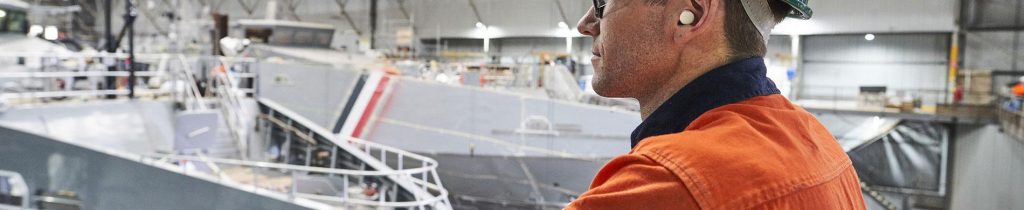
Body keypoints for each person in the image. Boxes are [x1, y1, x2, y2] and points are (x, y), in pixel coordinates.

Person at [567, 0, 865, 209]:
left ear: (690, 14)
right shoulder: (820, 145)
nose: (586, 24)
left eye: (603, 2)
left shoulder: (664, 184)